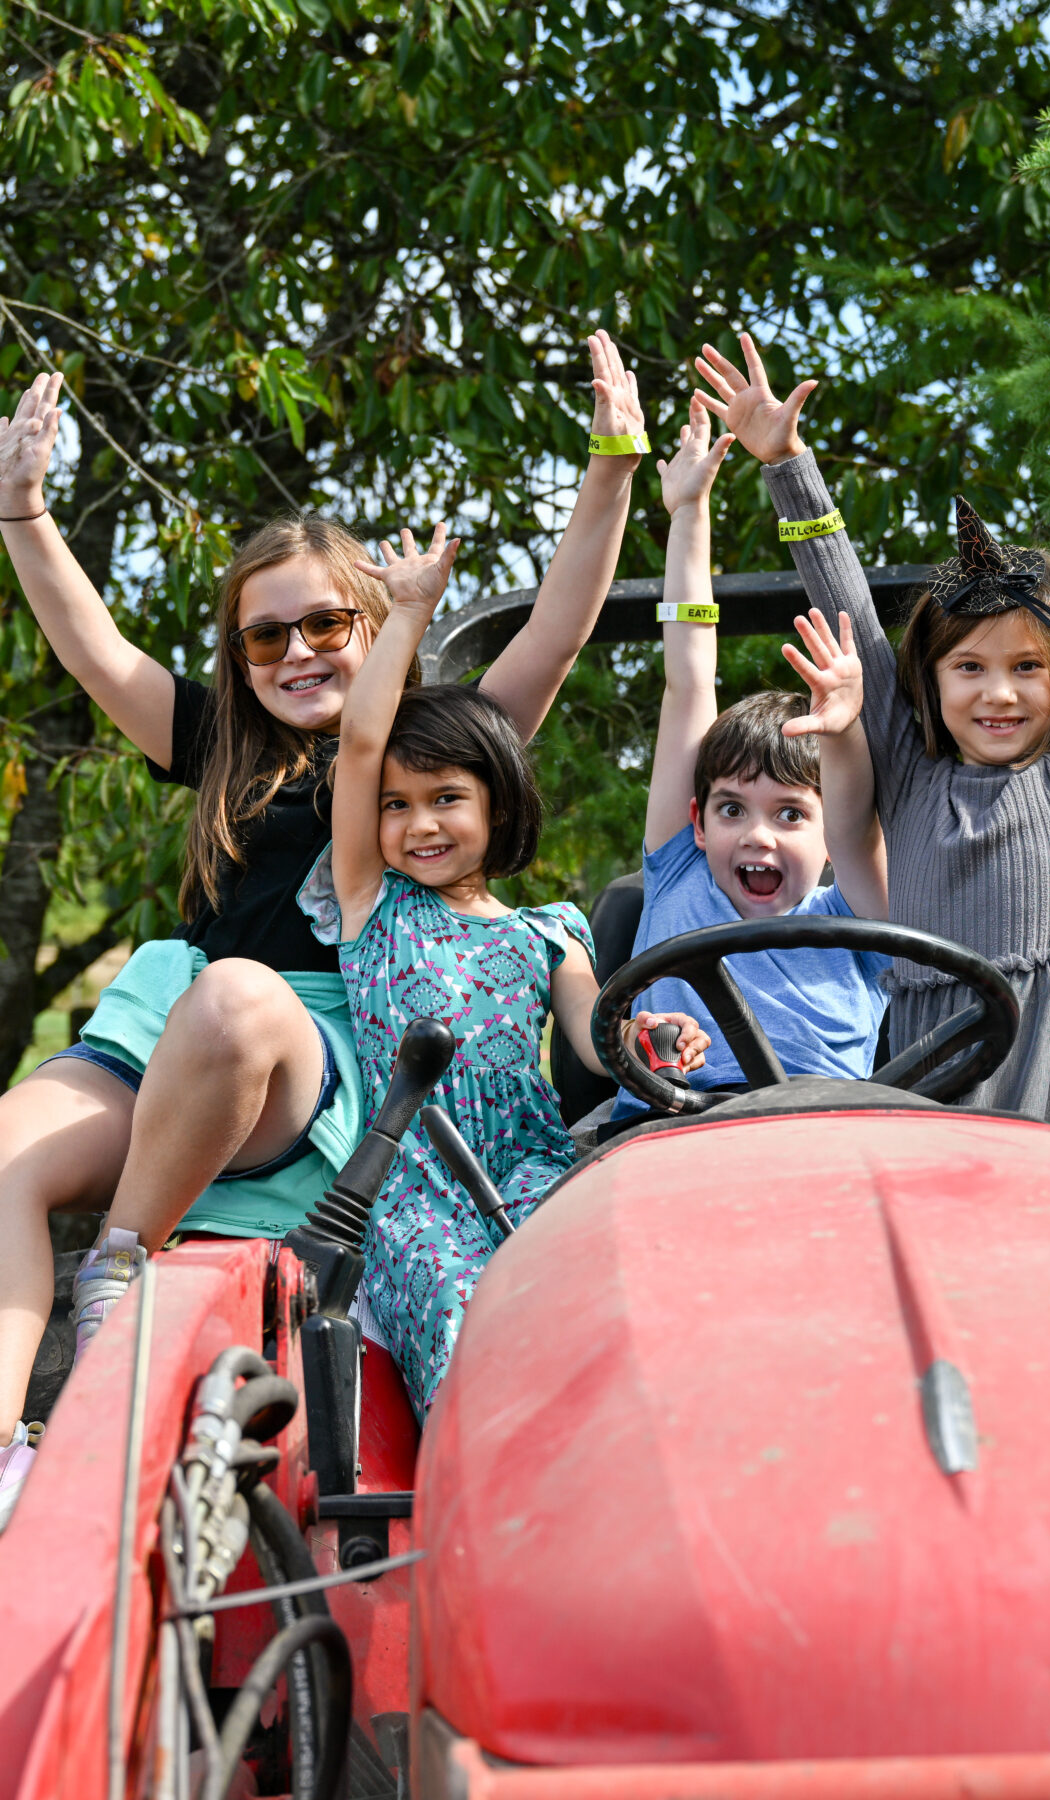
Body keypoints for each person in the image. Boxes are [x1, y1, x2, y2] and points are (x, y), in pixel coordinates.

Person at [0, 331, 649, 1524]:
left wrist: (609, 470)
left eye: (324, 626)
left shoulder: (430, 747)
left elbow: (555, 629)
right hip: (176, 1019)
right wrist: (26, 515)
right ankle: (6, 1455)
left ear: (374, 621)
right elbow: (91, 649)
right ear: (238, 654)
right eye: (265, 635)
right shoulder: (215, 744)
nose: (296, 651)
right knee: (5, 1157)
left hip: (328, 1043)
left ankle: (123, 1271)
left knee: (245, 996)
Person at [694, 320, 1050, 1191]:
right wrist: (786, 464)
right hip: (945, 1081)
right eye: (970, 667)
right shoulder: (913, 773)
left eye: (1025, 668)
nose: (997, 693)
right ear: (930, 680)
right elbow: (843, 595)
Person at [297, 526, 708, 1414]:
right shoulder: (371, 904)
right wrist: (407, 611)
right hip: (413, 1190)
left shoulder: (549, 931)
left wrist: (649, 1035)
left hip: (530, 1170)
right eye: (398, 808)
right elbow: (361, 744)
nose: (421, 825)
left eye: (446, 798)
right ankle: (478, 1488)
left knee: (604, 1309)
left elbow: (599, 1042)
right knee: (465, 1321)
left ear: (498, 800)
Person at [610, 396, 889, 1124]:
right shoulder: (678, 871)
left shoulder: (859, 921)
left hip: (823, 1137)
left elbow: (857, 827)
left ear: (827, 835)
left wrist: (841, 729)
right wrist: (688, 512)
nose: (758, 834)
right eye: (733, 809)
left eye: (791, 813)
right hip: (670, 1127)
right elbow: (689, 678)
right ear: (698, 822)